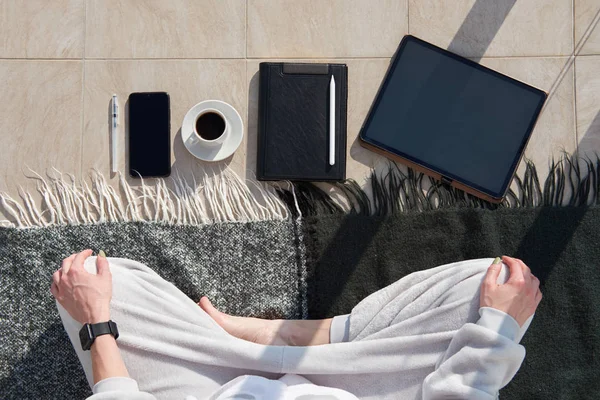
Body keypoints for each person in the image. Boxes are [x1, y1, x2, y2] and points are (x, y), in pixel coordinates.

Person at [51, 250, 541, 400]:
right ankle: (280, 339)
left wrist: (97, 320)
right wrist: (494, 332)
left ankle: (258, 345)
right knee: (490, 289)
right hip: (352, 390)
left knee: (96, 279)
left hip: (210, 391)